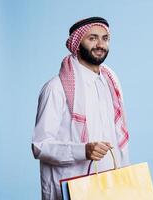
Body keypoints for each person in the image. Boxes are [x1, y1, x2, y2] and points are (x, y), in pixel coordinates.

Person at [32, 16, 130, 200]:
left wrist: (125, 177)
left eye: (105, 38)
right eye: (92, 38)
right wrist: (82, 151)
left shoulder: (111, 81)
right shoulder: (56, 88)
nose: (100, 44)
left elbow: (119, 138)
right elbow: (40, 146)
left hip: (111, 186)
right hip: (71, 187)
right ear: (77, 44)